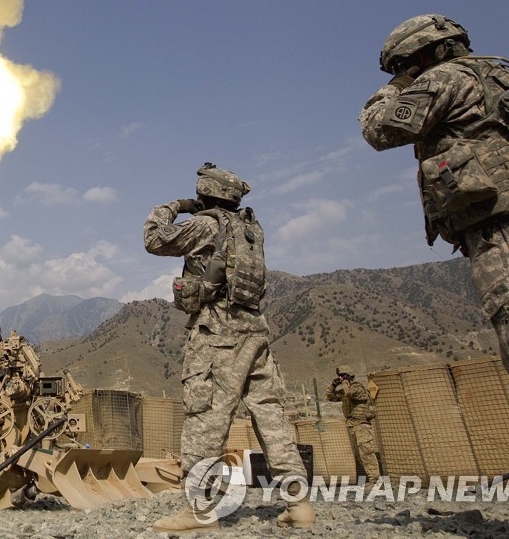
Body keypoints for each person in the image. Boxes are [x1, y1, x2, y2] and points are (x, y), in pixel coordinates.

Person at [360, 14, 509, 426]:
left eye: (402, 66)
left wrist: (393, 88)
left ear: (420, 56)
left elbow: (379, 129)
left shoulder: (443, 79)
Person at [144, 163, 315, 532]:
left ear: (205, 192)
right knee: (270, 416)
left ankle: (199, 510)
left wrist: (174, 206)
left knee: (205, 418)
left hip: (217, 333)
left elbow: (154, 240)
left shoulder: (207, 225)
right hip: (254, 331)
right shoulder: (251, 229)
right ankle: (299, 504)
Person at [325, 364, 380, 483]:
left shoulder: (357, 387)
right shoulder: (346, 389)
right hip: (351, 425)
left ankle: (375, 480)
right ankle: (371, 479)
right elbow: (331, 397)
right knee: (358, 454)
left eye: (343, 375)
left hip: (361, 424)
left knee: (366, 452)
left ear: (350, 376)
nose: (341, 378)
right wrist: (333, 385)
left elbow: (349, 393)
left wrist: (345, 382)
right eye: (339, 376)